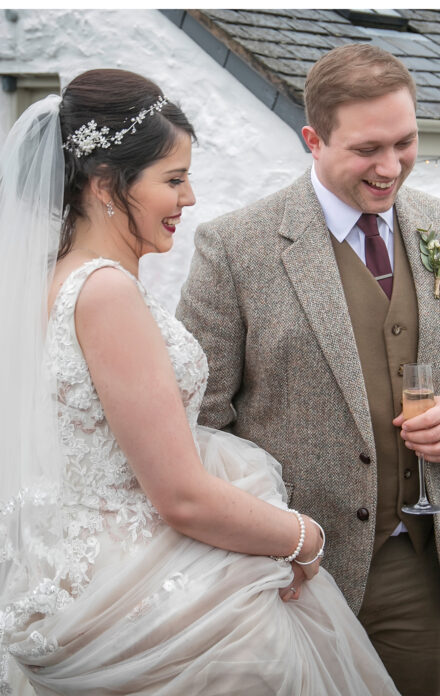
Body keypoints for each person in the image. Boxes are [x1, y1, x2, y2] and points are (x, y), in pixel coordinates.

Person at [0, 68, 400, 695]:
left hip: (80, 566)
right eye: (173, 180)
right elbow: (179, 493)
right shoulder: (105, 292)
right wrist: (302, 535)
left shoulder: (54, 278)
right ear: (107, 185)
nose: (188, 199)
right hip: (137, 584)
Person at [176, 44, 440, 696]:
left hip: (415, 560)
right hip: (284, 572)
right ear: (313, 138)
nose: (391, 167)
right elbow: (200, 421)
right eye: (368, 149)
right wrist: (256, 546)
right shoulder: (235, 248)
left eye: (406, 142)